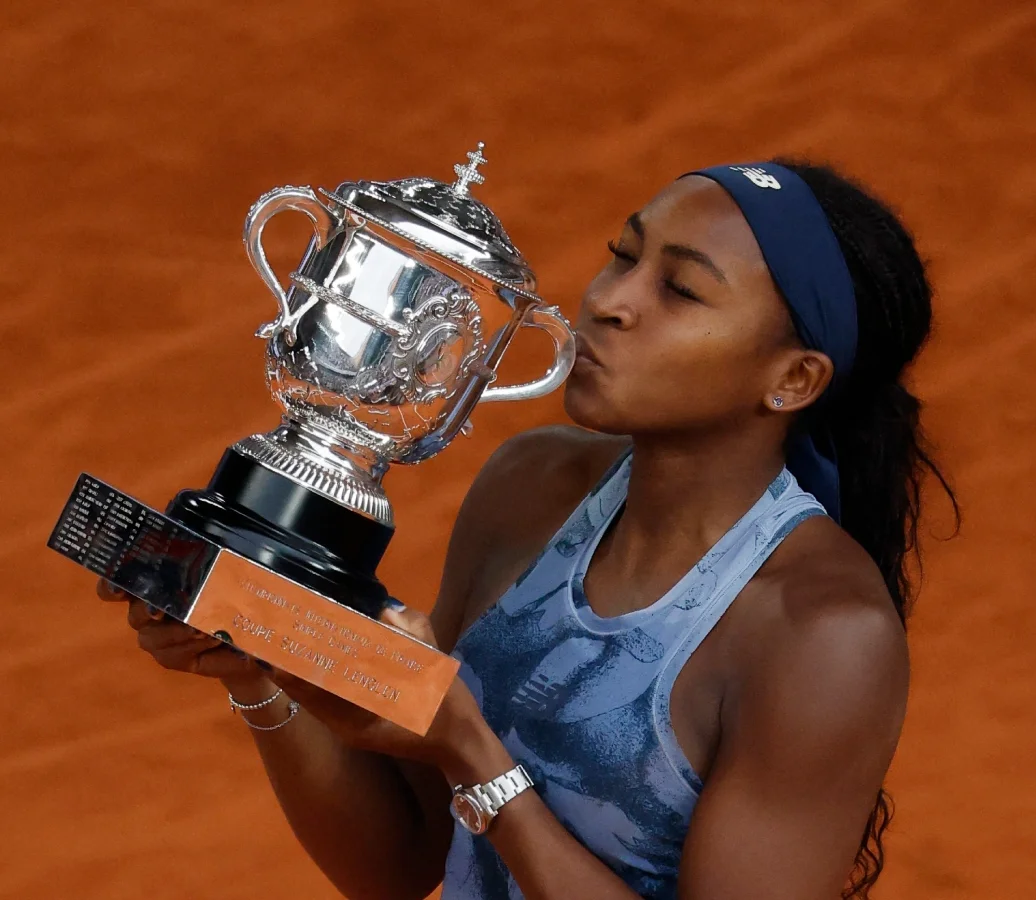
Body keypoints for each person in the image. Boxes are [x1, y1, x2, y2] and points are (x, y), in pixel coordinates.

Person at [100, 159, 956, 900]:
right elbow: (397, 865)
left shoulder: (824, 635)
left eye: (681, 289)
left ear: (794, 380)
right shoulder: (533, 486)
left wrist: (472, 752)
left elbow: (459, 752)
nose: (610, 301)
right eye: (622, 254)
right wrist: (257, 663)